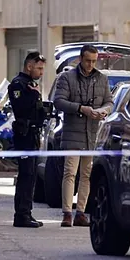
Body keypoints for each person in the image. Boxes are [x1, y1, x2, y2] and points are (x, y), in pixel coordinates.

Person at [54, 44, 113, 227]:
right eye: (88, 61)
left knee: (86, 174)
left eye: (94, 61)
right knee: (70, 172)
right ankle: (67, 213)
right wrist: (81, 108)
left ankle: (81, 212)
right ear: (80, 59)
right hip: (73, 132)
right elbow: (59, 101)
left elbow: (109, 102)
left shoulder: (102, 78)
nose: (90, 64)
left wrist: (103, 111)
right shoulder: (67, 77)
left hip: (92, 133)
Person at [8, 51, 48, 228]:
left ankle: (27, 213)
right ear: (29, 66)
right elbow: (20, 107)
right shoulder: (18, 84)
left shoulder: (31, 85)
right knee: (26, 175)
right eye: (39, 68)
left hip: (33, 134)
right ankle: (21, 215)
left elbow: (36, 110)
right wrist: (33, 95)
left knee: (31, 175)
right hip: (23, 135)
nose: (41, 72)